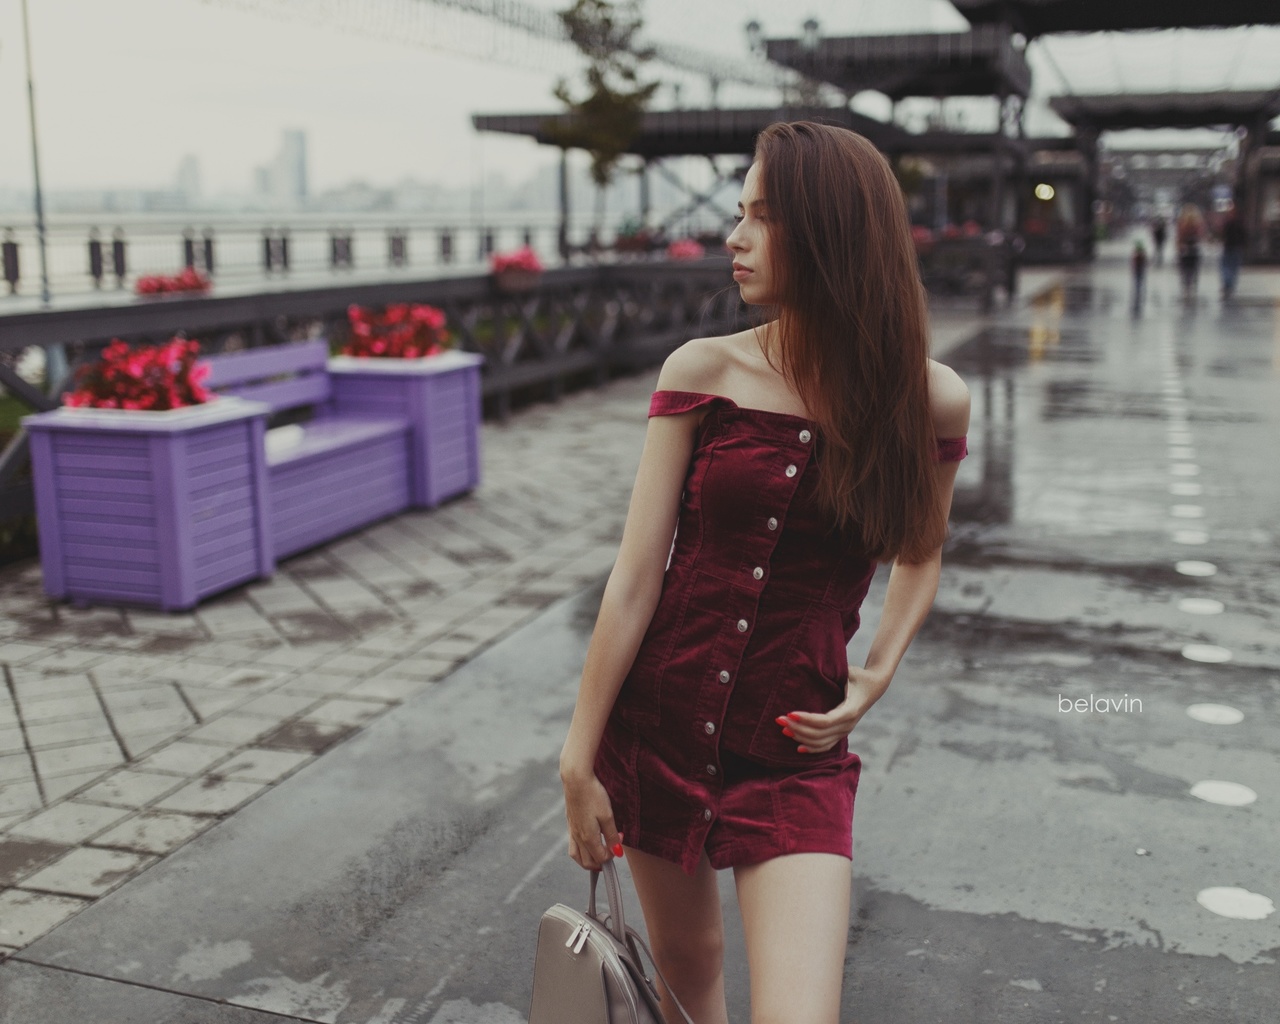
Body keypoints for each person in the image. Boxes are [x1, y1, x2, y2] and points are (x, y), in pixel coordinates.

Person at [558, 120, 970, 1024]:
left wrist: (874, 675)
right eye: (736, 214)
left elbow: (922, 546)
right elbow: (635, 579)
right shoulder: (703, 371)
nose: (733, 239)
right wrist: (579, 756)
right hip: (660, 728)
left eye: (762, 217)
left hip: (794, 754)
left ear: (831, 230)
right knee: (689, 975)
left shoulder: (928, 396)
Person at [1176, 204, 1204, 299]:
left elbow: (1179, 237)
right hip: (1194, 249)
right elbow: (1200, 236)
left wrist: (1179, 246)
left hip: (1184, 249)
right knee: (1193, 269)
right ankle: (1192, 285)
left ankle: (1186, 286)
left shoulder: (1182, 224)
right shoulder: (1197, 224)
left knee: (1185, 269)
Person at [1220, 203, 1246, 299]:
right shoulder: (1240, 222)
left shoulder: (1228, 222)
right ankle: (1230, 284)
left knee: (1227, 267)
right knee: (1233, 267)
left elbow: (1222, 234)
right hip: (1235, 247)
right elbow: (1244, 234)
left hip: (1229, 247)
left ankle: (1228, 284)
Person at [1132, 239, 1148, 312]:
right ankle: (1139, 291)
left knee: (1138, 282)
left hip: (1138, 271)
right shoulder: (1141, 254)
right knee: (1139, 282)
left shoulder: (1137, 255)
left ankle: (1138, 291)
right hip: (1139, 271)